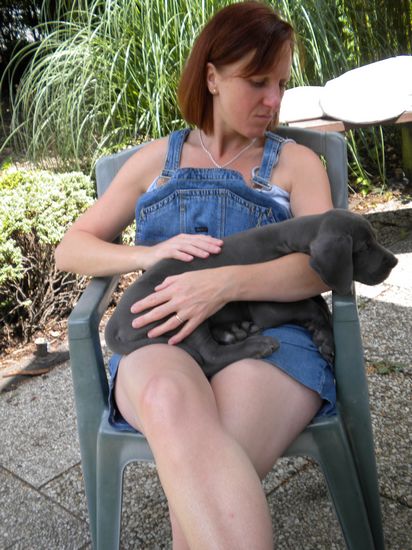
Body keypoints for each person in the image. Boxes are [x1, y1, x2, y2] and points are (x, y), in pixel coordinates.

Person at [55, 2, 336, 548]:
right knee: (166, 398)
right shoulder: (155, 162)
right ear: (211, 77)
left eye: (281, 83)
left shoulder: (295, 164)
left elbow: (320, 267)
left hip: (272, 337)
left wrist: (224, 284)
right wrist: (149, 255)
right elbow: (72, 248)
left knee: (200, 485)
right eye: (257, 81)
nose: (274, 101)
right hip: (162, 335)